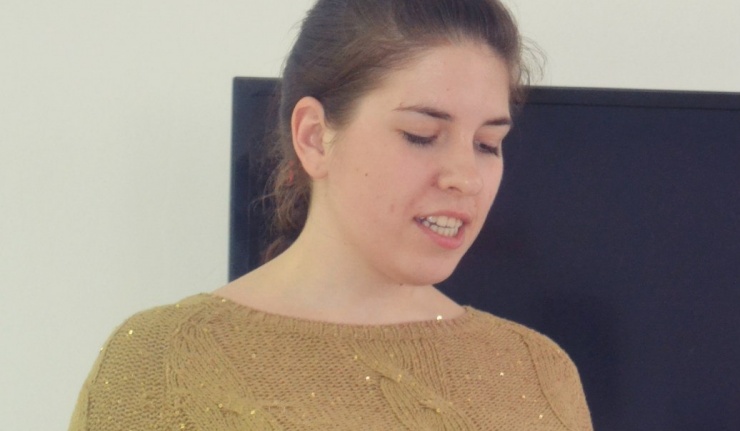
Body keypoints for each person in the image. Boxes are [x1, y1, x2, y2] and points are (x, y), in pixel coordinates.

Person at [69, 0, 593, 429]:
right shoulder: (154, 366)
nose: (467, 177)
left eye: (487, 144)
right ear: (314, 137)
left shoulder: (537, 374)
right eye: (422, 135)